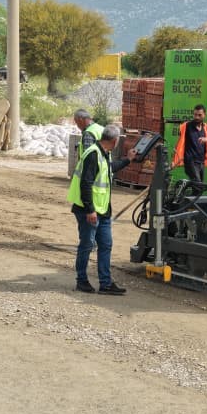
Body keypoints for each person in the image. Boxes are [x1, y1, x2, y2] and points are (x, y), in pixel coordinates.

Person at [69, 123, 135, 295]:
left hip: (103, 209)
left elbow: (108, 170)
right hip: (88, 210)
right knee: (87, 245)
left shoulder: (104, 153)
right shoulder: (93, 154)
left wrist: (128, 159)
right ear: (114, 141)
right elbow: (86, 183)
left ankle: (105, 283)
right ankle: (81, 281)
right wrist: (90, 210)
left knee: (105, 244)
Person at [171, 104, 207, 184]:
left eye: (199, 115)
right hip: (190, 162)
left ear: (204, 115)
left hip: (201, 162)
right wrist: (174, 161)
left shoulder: (206, 128)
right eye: (195, 115)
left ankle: (183, 195)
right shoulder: (187, 126)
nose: (197, 117)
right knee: (198, 185)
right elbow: (179, 144)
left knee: (198, 189)